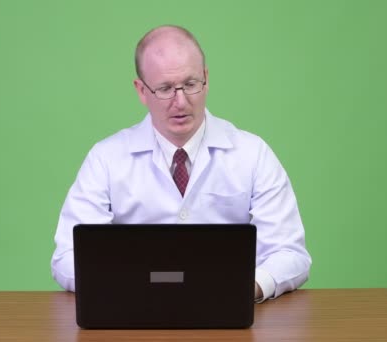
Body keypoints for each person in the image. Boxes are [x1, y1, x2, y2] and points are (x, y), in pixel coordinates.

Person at [51, 25, 311, 302]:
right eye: (164, 88)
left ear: (206, 79)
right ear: (141, 90)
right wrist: (127, 286)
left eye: (190, 84)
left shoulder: (253, 153)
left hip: (228, 313)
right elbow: (68, 256)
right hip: (132, 315)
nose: (181, 101)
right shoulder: (106, 158)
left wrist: (244, 289)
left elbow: (290, 253)